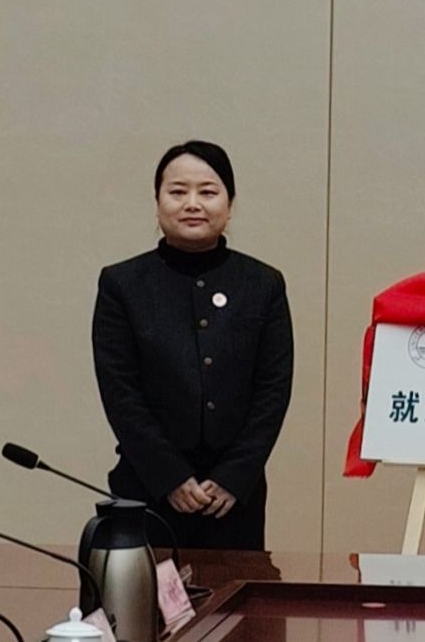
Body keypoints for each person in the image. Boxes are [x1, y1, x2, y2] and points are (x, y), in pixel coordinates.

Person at [92, 140, 294, 550]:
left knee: (235, 592)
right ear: (157, 202)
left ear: (230, 204)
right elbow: (120, 392)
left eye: (208, 191)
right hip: (146, 488)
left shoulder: (263, 284)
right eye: (178, 191)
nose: (192, 204)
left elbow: (273, 390)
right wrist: (170, 477)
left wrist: (234, 476)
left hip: (234, 497)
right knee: (144, 593)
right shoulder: (122, 284)